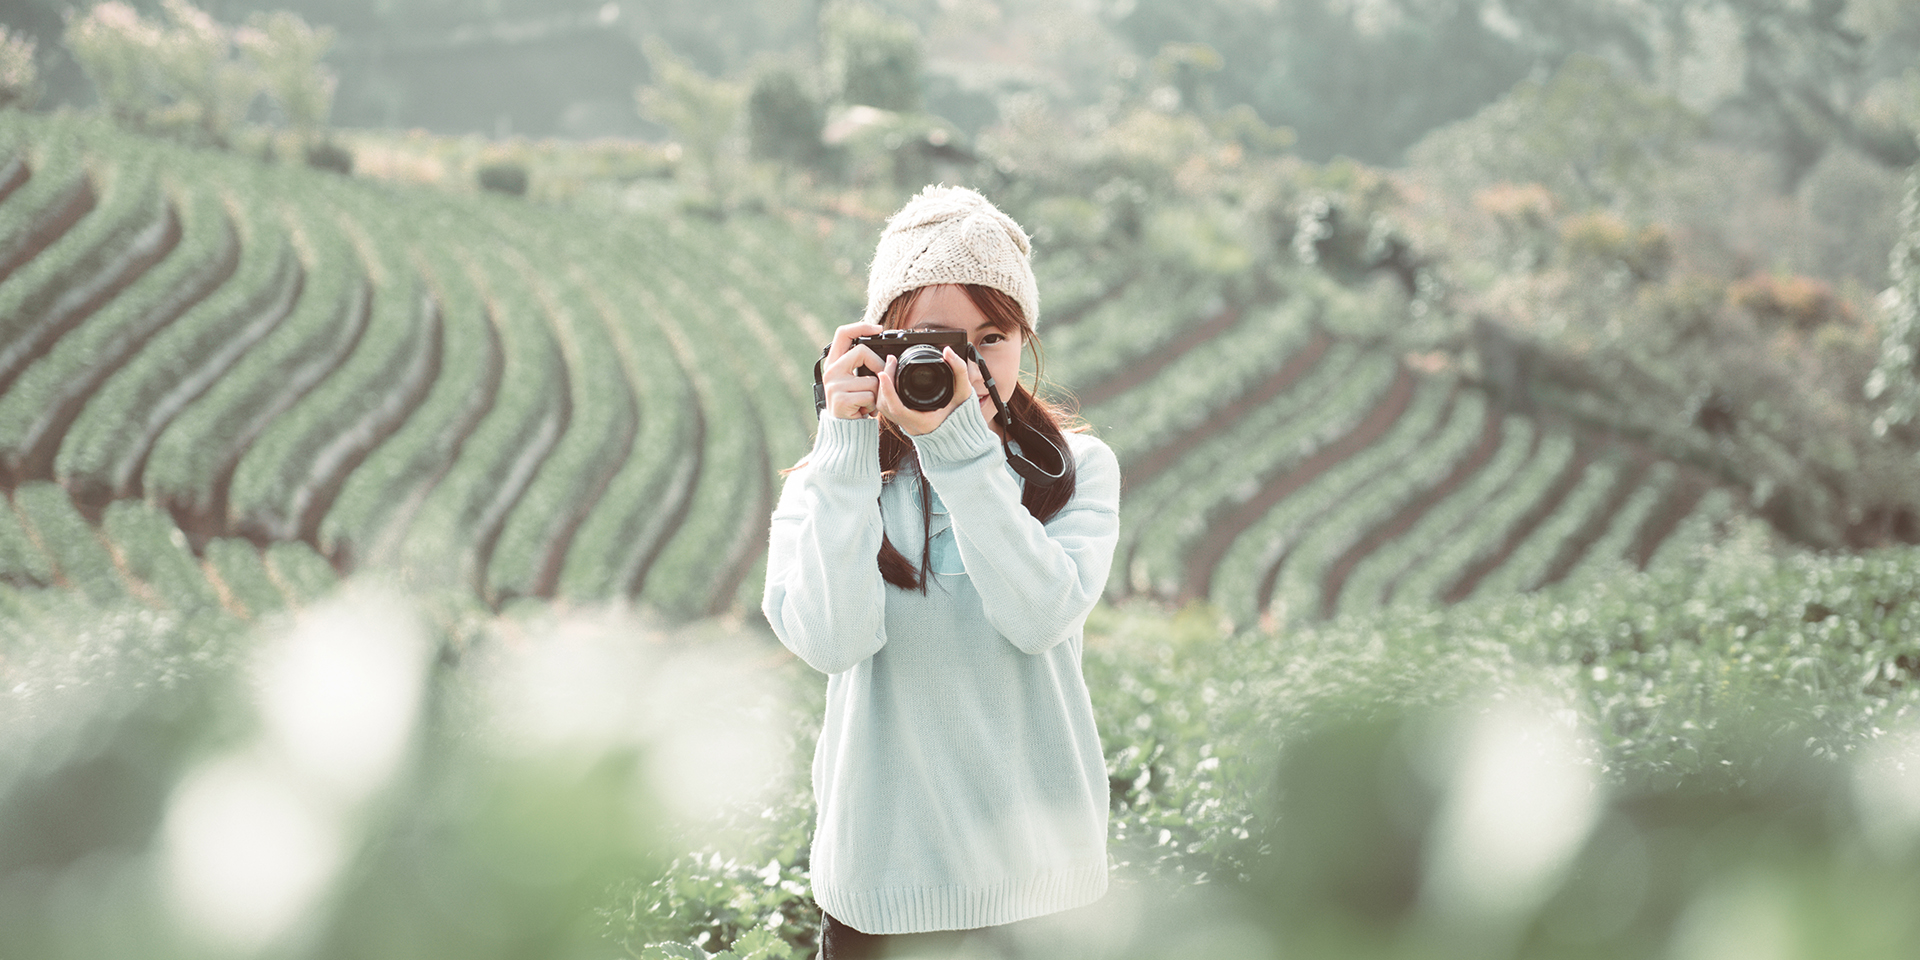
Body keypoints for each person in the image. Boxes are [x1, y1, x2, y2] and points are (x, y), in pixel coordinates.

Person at [762, 185, 1121, 959]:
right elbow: (831, 642)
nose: (964, 364)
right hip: (880, 893)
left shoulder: (1077, 470)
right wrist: (846, 449)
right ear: (883, 344)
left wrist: (959, 455)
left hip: (1043, 894)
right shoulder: (826, 484)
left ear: (1026, 339)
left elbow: (1040, 617)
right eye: (936, 341)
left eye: (991, 337)